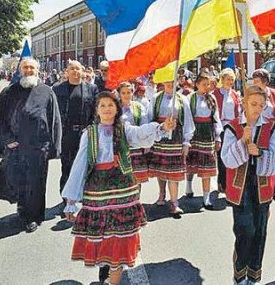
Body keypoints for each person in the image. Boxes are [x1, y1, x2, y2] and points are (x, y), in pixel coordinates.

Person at [62, 92, 176, 285]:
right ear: (97, 110)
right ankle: (104, 273)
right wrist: (71, 201)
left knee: (120, 238)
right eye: (103, 105)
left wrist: (162, 127)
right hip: (98, 191)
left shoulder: (124, 129)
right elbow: (80, 164)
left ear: (117, 109)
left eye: (110, 105)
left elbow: (140, 134)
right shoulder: (89, 133)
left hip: (124, 190)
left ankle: (112, 280)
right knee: (103, 236)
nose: (107, 109)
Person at [0, 58, 62, 232]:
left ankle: (35, 216)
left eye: (32, 67)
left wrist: (54, 147)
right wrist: (8, 140)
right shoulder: (9, 92)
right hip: (16, 147)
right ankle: (22, 211)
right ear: (19, 70)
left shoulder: (47, 91)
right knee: (20, 181)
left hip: (39, 147)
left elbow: (55, 120)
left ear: (38, 70)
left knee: (36, 183)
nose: (28, 70)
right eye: (25, 67)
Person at [221, 85, 275, 285]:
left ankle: (254, 276)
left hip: (262, 184)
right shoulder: (233, 127)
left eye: (261, 105)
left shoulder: (270, 127)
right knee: (245, 230)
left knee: (260, 230)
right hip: (241, 186)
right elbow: (227, 160)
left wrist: (260, 153)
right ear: (244, 103)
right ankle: (239, 276)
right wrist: (242, 142)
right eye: (253, 104)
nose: (257, 108)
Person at [53, 60, 98, 202]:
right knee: (67, 167)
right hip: (67, 135)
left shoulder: (91, 89)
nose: (75, 71)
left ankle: (84, 197)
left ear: (83, 72)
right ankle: (66, 199)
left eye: (78, 69)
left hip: (85, 133)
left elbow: (96, 112)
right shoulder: (57, 89)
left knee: (86, 166)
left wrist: (92, 128)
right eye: (72, 69)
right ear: (67, 72)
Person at [148, 80, 194, 216]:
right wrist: (150, 136)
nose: (170, 84)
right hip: (160, 135)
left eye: (172, 81)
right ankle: (162, 194)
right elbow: (150, 118)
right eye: (167, 81)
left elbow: (187, 121)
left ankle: (174, 202)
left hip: (176, 138)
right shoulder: (156, 98)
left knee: (174, 171)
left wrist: (186, 142)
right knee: (161, 168)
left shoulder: (182, 100)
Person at [185, 74, 222, 209]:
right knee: (192, 163)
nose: (207, 87)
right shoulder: (190, 98)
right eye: (204, 84)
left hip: (207, 133)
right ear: (197, 84)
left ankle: (206, 198)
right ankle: (188, 186)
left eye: (208, 84)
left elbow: (216, 118)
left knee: (207, 166)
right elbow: (187, 118)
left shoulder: (211, 98)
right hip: (194, 132)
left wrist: (218, 137)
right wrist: (186, 138)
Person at [252, 68, 275, 201]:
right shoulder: (253, 94)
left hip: (272, 130)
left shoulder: (273, 94)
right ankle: (258, 188)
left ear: (265, 81)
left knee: (274, 156)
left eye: (257, 80)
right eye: (253, 80)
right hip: (258, 129)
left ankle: (274, 190)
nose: (255, 83)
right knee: (259, 157)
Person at [213, 68, 242, 192]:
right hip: (220, 127)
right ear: (222, 79)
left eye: (232, 80)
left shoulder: (235, 94)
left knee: (232, 154)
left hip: (232, 127)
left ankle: (230, 182)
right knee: (221, 156)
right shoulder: (215, 94)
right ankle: (222, 182)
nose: (230, 82)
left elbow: (239, 111)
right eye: (228, 79)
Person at [117, 82, 150, 184]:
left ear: (132, 93)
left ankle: (137, 199)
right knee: (121, 176)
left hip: (135, 145)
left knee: (136, 176)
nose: (126, 95)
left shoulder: (138, 107)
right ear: (119, 94)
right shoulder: (115, 106)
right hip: (119, 145)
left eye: (128, 92)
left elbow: (144, 125)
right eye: (123, 93)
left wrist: (146, 142)